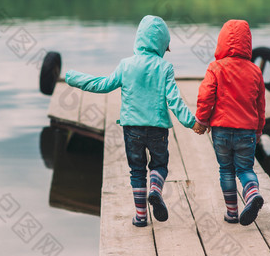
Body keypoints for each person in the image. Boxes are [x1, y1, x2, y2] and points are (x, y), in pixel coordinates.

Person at [65, 15, 205, 227]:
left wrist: (74, 77)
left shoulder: (126, 65)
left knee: (137, 170)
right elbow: (174, 100)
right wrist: (191, 122)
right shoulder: (165, 68)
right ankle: (155, 190)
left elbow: (102, 85)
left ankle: (140, 216)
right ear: (161, 45)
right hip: (157, 129)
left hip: (132, 129)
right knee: (159, 165)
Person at [196, 19, 266, 226]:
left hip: (221, 130)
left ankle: (232, 212)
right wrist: (259, 130)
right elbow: (260, 104)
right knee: (245, 169)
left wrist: (202, 119)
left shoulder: (216, 68)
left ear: (222, 41)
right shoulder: (255, 71)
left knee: (226, 169)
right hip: (247, 131)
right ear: (248, 43)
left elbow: (206, 95)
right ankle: (252, 194)